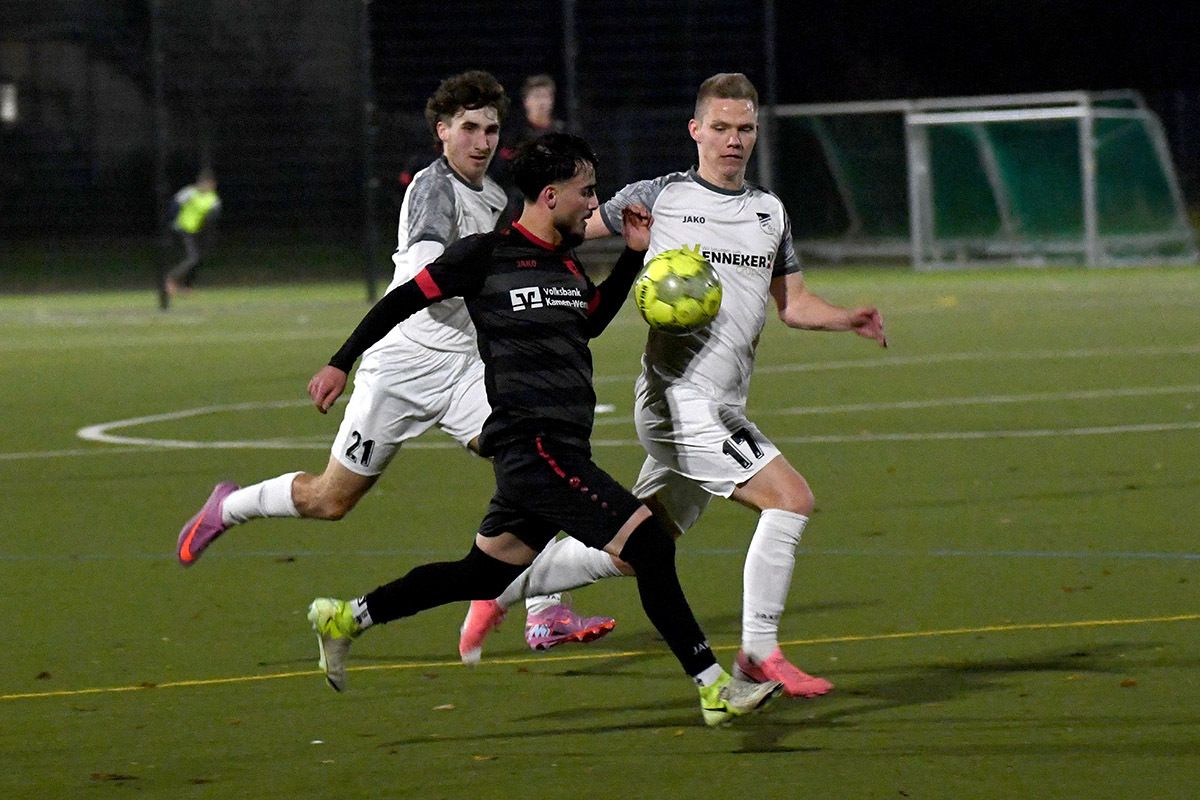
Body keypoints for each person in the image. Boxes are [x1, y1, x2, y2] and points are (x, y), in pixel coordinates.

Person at [304, 133, 782, 726]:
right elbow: (400, 301)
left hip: (555, 447)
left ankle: (346, 617)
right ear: (550, 194)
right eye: (586, 192)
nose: (594, 203)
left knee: (480, 573)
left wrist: (634, 253)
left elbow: (591, 321)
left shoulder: (565, 261)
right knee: (651, 545)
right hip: (534, 446)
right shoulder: (484, 254)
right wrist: (340, 361)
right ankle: (713, 688)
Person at [460, 73, 887, 699]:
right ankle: (757, 656)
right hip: (678, 401)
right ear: (696, 130)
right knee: (790, 500)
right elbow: (563, 225)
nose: (733, 140)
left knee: (636, 546)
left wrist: (844, 317)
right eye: (720, 127)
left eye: (744, 128)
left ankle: (503, 588)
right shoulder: (659, 197)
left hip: (721, 401)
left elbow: (792, 303)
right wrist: (518, 290)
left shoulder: (769, 213)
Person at [173, 70, 613, 655]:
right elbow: (439, 270)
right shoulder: (435, 189)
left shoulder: (499, 197)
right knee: (331, 500)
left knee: (537, 455)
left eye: (490, 129)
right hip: (401, 367)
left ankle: (543, 609)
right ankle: (228, 506)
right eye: (469, 129)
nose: (482, 142)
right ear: (442, 131)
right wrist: (344, 360)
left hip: (466, 369)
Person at [491, 74, 566, 223]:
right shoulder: (515, 135)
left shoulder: (563, 133)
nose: (542, 102)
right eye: (537, 97)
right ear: (527, 101)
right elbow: (500, 171)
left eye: (546, 96)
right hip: (521, 202)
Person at [165, 169, 221, 296]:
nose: (207, 186)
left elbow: (214, 216)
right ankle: (170, 279)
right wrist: (172, 221)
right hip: (182, 229)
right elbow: (173, 206)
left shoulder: (213, 198)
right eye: (204, 183)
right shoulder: (189, 192)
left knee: (198, 259)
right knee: (192, 258)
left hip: (198, 232)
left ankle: (187, 286)